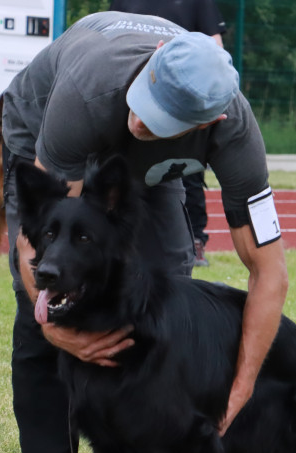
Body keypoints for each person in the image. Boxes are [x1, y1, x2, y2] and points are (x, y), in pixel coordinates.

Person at [2, 12, 288, 453]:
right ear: (151, 68)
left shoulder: (234, 129)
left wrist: (241, 386)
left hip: (154, 175)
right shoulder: (92, 93)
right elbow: (42, 249)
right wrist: (59, 333)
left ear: (213, 119)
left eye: (161, 120)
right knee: (55, 300)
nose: (139, 121)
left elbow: (269, 270)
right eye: (145, 101)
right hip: (49, 135)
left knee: (168, 312)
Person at [108, 0, 230, 267]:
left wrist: (208, 94)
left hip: (183, 97)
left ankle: (195, 239)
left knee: (188, 171)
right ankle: (114, 240)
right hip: (133, 89)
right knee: (115, 170)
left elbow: (214, 45)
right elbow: (110, 34)